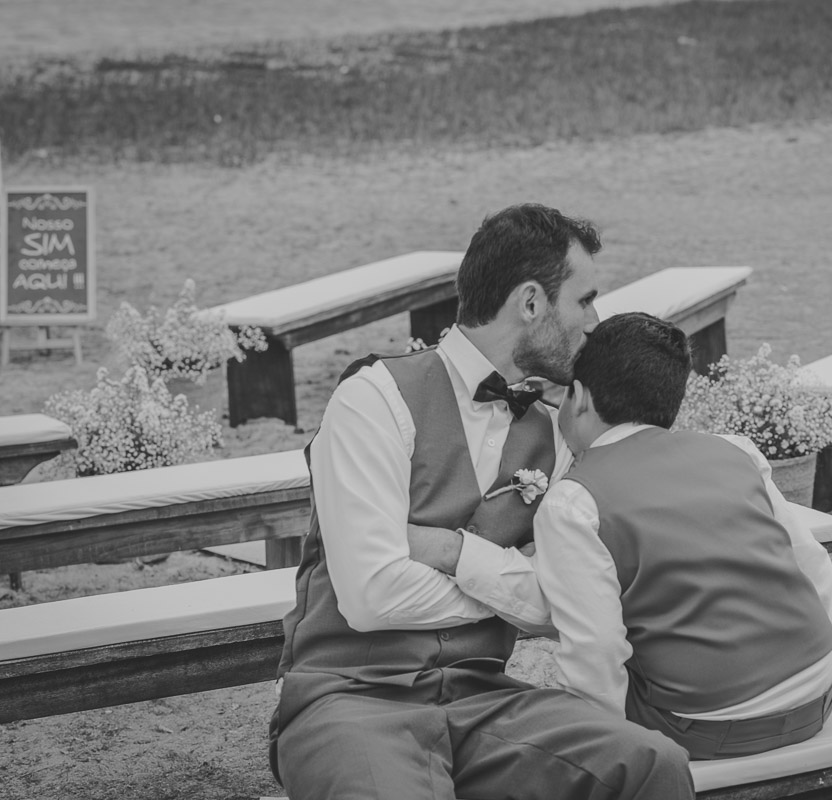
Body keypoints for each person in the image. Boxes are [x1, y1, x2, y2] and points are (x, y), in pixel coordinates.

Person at [269, 205, 694, 800]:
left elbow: (560, 602)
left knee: (651, 763)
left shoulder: (557, 432)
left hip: (486, 700)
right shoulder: (374, 398)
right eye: (585, 300)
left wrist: (450, 554)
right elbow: (371, 596)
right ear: (530, 303)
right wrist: (505, 591)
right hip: (351, 702)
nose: (596, 323)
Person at [534, 312, 832, 760]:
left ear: (580, 397)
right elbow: (812, 563)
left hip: (706, 726)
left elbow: (597, 655)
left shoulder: (573, 501)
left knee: (549, 703)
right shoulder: (734, 450)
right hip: (816, 695)